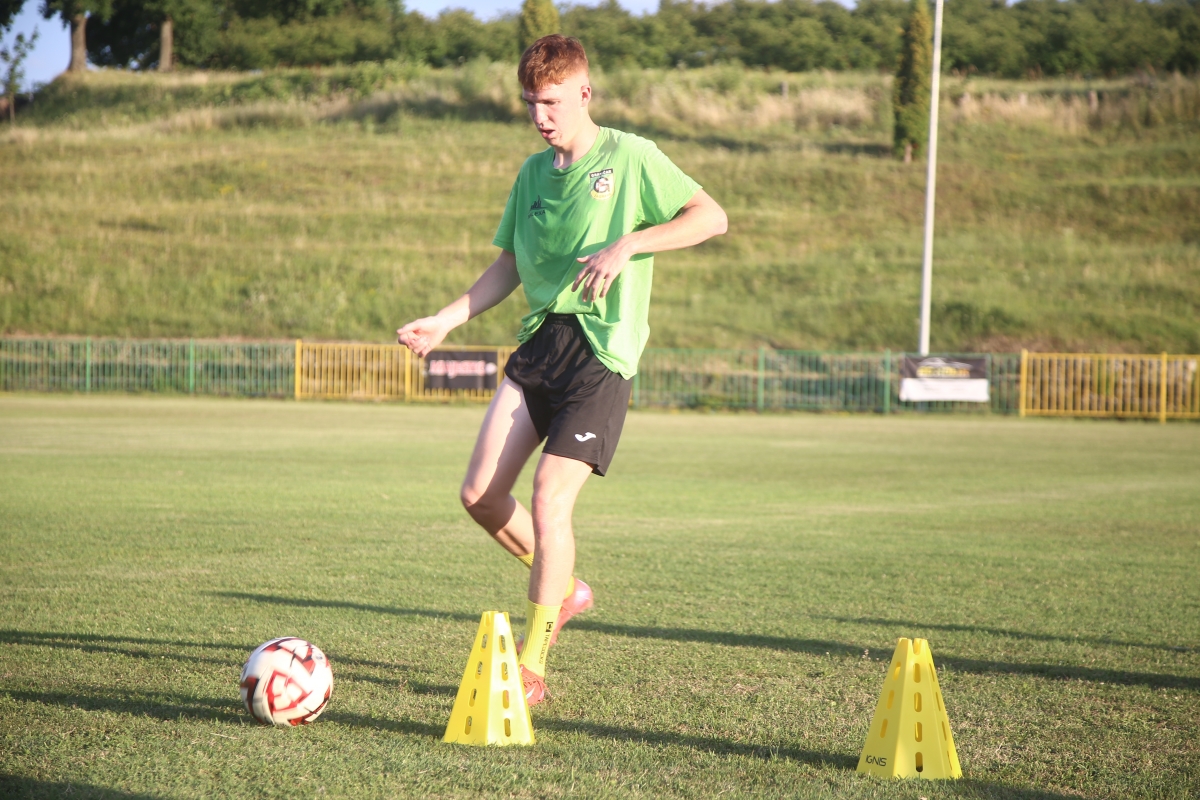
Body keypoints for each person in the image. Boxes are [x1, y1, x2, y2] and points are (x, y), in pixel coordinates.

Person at [397, 34, 727, 706]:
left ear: (584, 93)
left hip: (600, 356)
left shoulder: (631, 157)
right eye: (530, 103)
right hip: (539, 347)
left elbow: (711, 218)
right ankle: (566, 588)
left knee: (549, 498)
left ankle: (533, 664)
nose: (540, 116)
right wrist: (446, 320)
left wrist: (630, 243)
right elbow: (509, 266)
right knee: (479, 496)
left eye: (551, 102)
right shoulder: (531, 175)